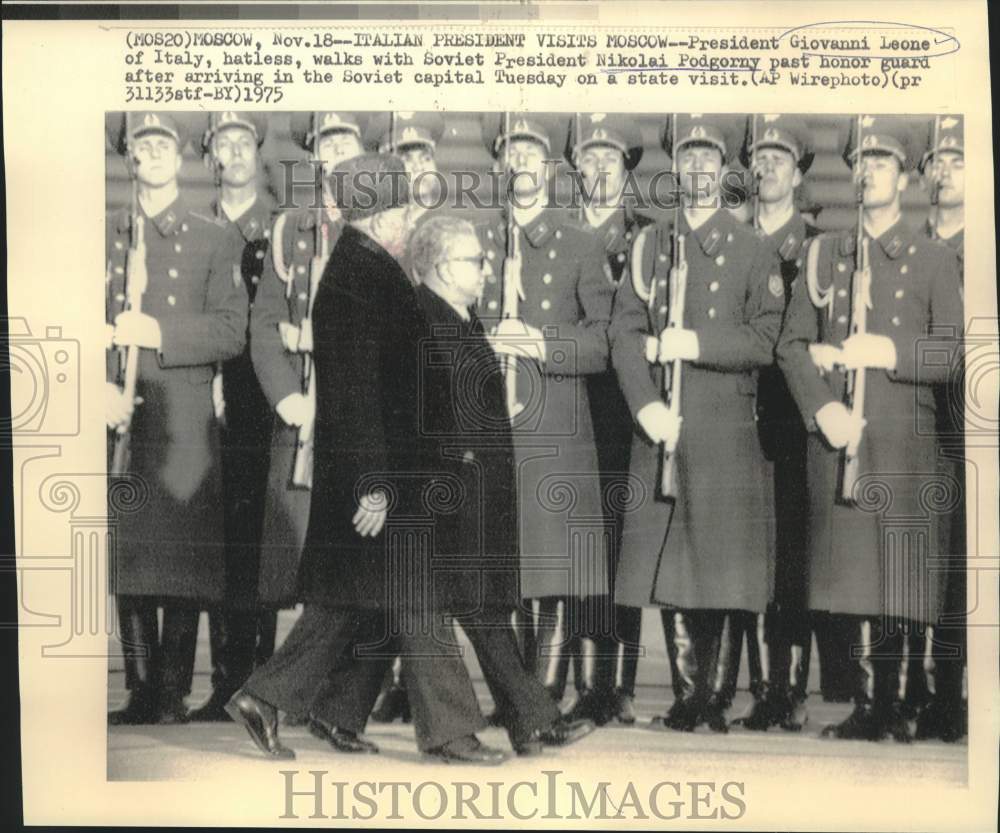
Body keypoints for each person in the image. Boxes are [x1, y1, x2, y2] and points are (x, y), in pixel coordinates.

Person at [227, 153, 505, 765]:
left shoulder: (365, 269)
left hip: (384, 473)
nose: (412, 220)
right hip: (379, 478)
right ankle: (450, 731)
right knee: (416, 595)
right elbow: (355, 397)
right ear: (379, 218)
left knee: (348, 602)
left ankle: (294, 704)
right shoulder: (360, 280)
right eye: (404, 209)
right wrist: (375, 487)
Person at [776, 115, 964, 742]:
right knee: (853, 577)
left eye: (882, 162)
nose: (869, 171)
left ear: (906, 177)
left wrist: (885, 352)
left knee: (901, 578)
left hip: (906, 443)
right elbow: (791, 343)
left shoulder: (934, 258)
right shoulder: (825, 251)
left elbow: (952, 354)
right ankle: (865, 706)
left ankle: (899, 704)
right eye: (861, 161)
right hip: (843, 436)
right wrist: (821, 408)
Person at [611, 114, 784, 732]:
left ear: (726, 169)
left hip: (723, 426)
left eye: (709, 157)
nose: (700, 167)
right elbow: (624, 331)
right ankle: (689, 696)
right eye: (688, 157)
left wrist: (694, 341)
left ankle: (716, 696)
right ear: (675, 168)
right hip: (661, 424)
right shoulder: (651, 244)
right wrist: (644, 404)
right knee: (669, 559)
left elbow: (766, 338)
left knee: (721, 562)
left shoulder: (753, 248)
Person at [408, 213, 596, 755]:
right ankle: (467, 729)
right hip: (452, 492)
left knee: (487, 609)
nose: (487, 269)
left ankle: (532, 721)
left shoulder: (460, 317)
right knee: (447, 610)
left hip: (480, 490)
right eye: (475, 261)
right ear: (444, 266)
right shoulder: (424, 319)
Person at [105, 111, 248, 724]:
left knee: (184, 559)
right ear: (129, 157)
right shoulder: (107, 235)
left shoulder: (214, 239)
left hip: (185, 414)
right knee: (128, 554)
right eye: (143, 144)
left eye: (165, 144)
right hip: (122, 413)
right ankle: (140, 689)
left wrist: (156, 330)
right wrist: (95, 387)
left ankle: (171, 691)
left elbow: (230, 330)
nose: (154, 153)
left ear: (184, 158)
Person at [475, 113, 615, 720]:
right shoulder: (477, 240)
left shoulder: (581, 242)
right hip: (491, 422)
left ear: (553, 167)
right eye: (513, 151)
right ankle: (514, 695)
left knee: (552, 565)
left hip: (555, 424)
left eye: (534, 152)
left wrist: (537, 342)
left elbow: (602, 343)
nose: (522, 162)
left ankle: (542, 696)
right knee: (501, 565)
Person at [726, 115, 820, 731]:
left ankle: (785, 691)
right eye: (759, 158)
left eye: (780, 159)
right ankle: (753, 686)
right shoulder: (731, 241)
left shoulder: (816, 245)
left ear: (799, 171)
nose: (767, 168)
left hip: (788, 414)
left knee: (788, 553)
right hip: (734, 407)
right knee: (743, 550)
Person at [185, 111, 280, 722]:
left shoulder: (280, 226)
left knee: (256, 535)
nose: (237, 152)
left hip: (260, 393)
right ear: (212, 158)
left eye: (246, 142)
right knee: (216, 534)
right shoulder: (197, 228)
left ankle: (258, 681)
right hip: (203, 387)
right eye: (226, 144)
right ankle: (223, 679)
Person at [562, 113, 656, 726]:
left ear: (628, 170)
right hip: (566, 396)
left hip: (621, 403)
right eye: (589, 158)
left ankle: (616, 684)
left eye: (610, 159)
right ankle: (578, 680)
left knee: (620, 538)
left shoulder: (647, 237)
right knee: (575, 540)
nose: (599, 168)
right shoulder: (559, 231)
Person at [362, 110, 447, 724]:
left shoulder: (455, 232)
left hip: (436, 405)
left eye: (422, 156)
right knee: (394, 553)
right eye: (402, 158)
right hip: (390, 408)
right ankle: (390, 682)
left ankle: (418, 687)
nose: (414, 167)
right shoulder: (379, 237)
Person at [909, 115, 967, 742]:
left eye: (959, 159)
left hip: (971, 423)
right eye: (935, 161)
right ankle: (914, 693)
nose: (944, 171)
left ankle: (952, 698)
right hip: (915, 419)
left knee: (962, 569)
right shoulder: (908, 245)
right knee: (922, 559)